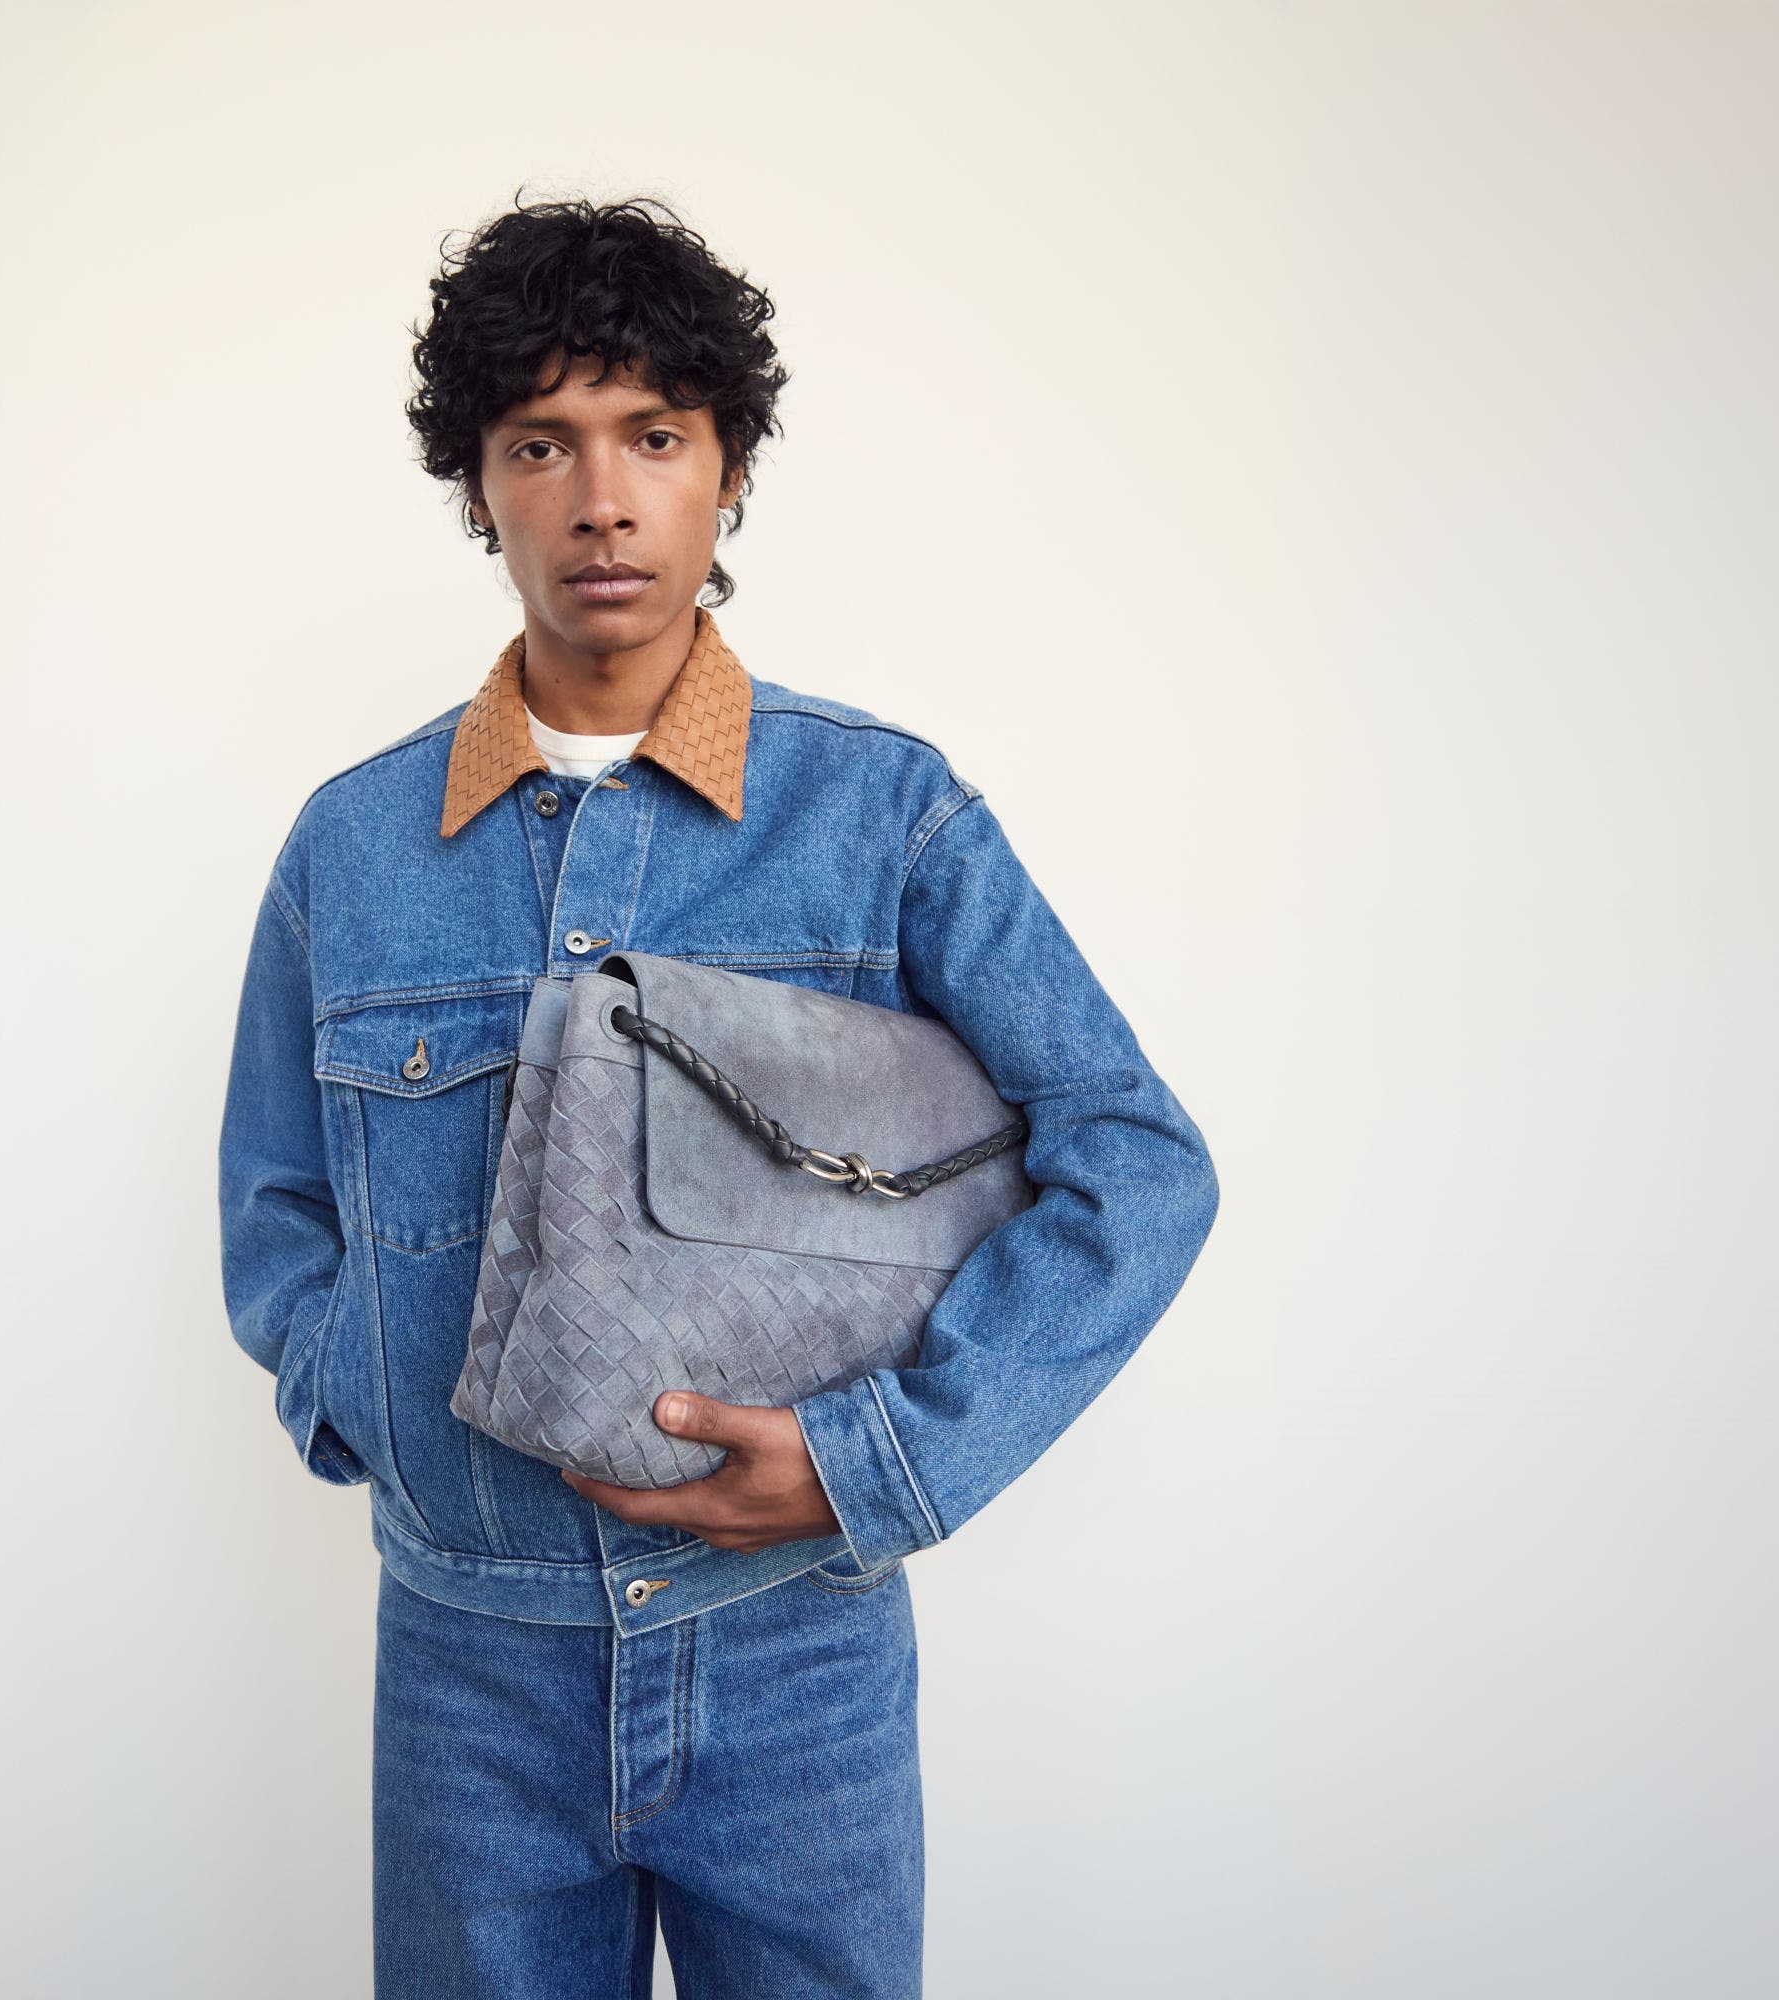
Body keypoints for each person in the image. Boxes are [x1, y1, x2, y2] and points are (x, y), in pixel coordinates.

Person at [215, 193, 1221, 1998]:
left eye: (654, 437)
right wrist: (371, 1410)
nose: (603, 497)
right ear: (480, 487)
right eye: (543, 443)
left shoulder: (883, 816)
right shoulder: (349, 850)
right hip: (469, 1678)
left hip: (799, 1664)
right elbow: (277, 1212)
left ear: (726, 470)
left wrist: (879, 1464)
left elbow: (1136, 1161)